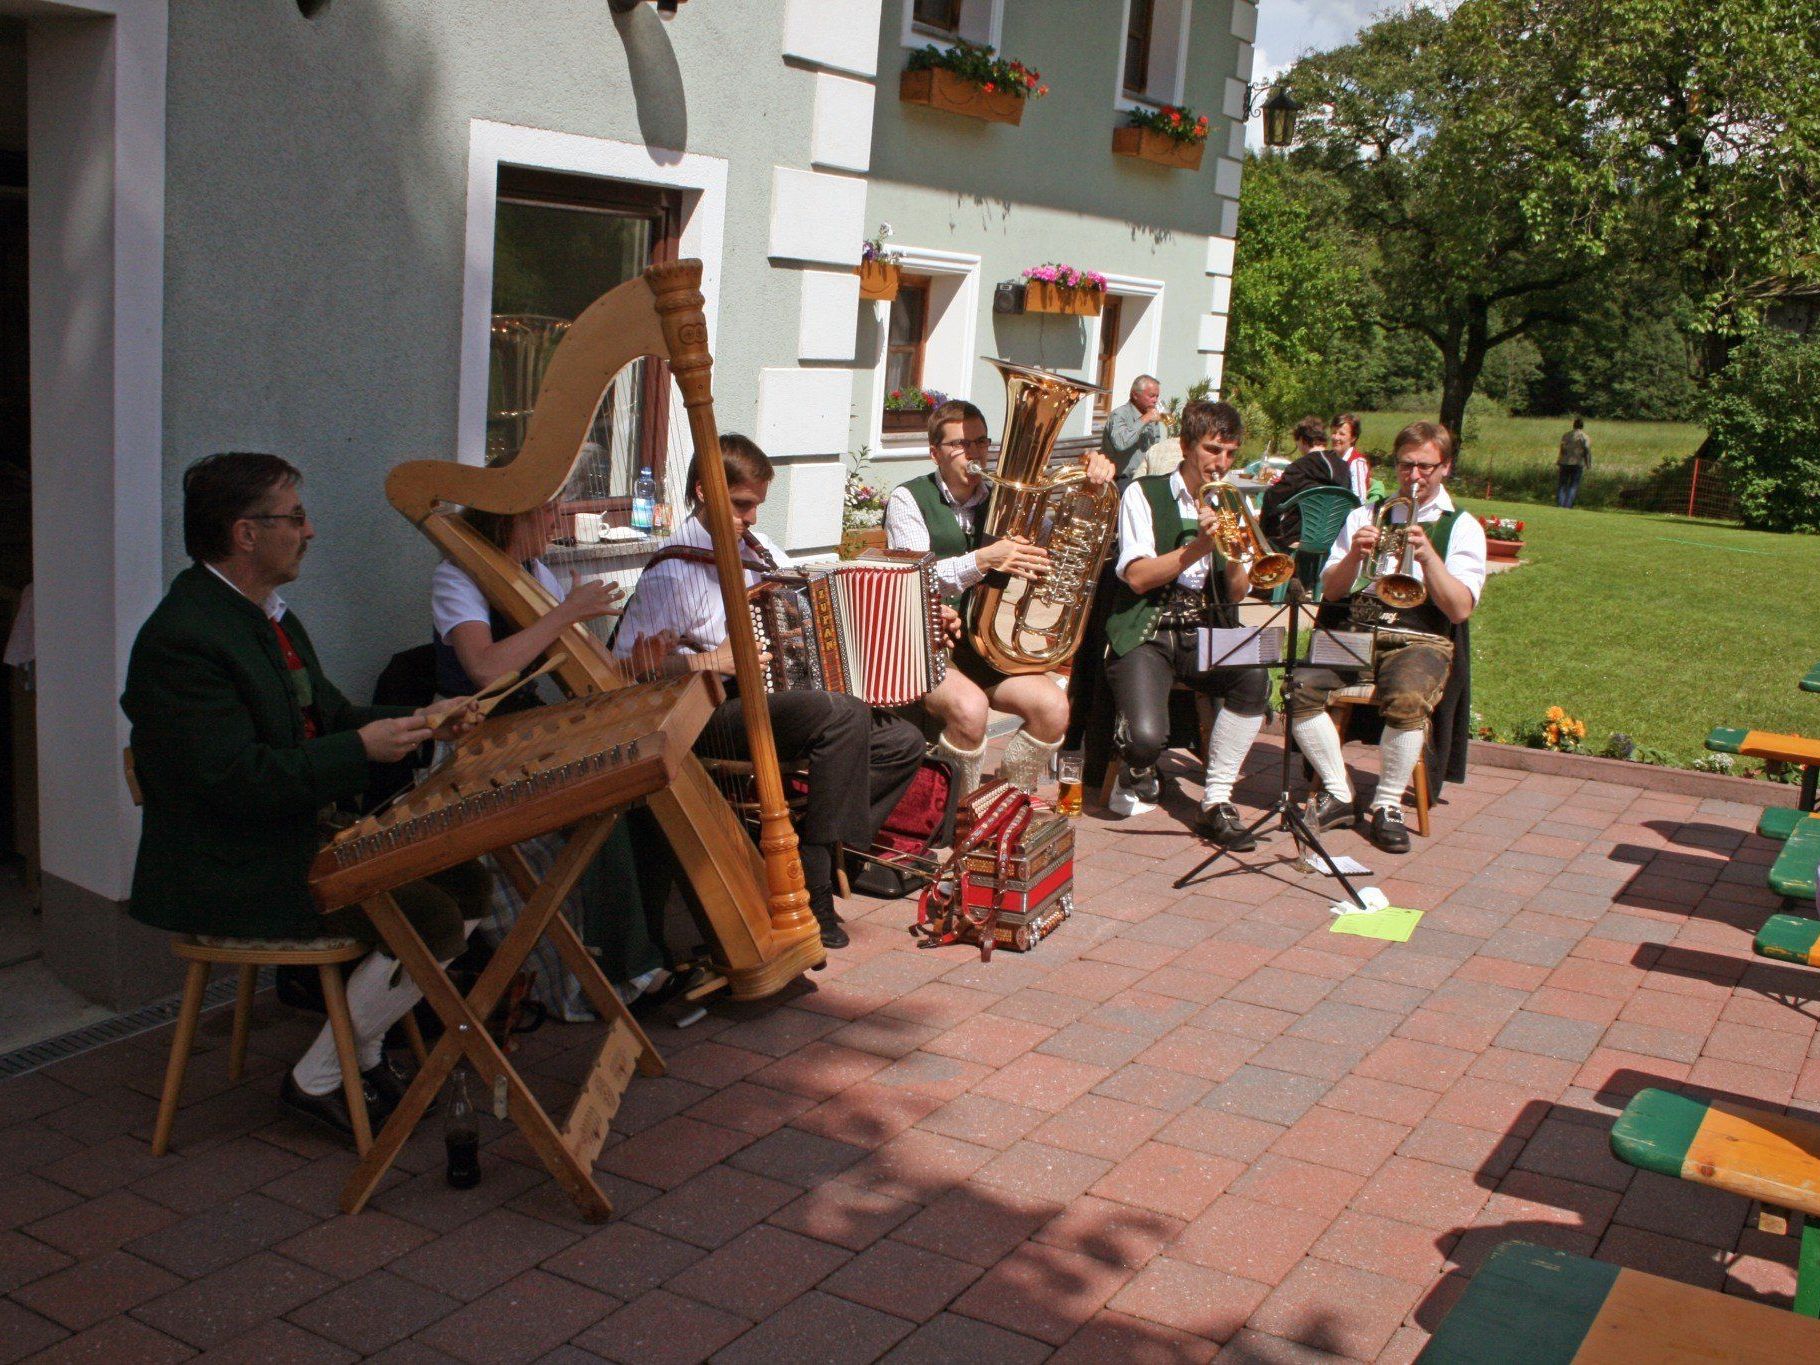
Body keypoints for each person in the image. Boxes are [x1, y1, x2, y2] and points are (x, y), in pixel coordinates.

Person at [122, 453, 490, 1142]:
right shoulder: (184, 639)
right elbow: (237, 780)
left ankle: (362, 1055)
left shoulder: (265, 615)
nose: (310, 531)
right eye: (295, 517)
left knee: (468, 882)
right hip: (230, 862)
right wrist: (360, 750)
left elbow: (328, 712)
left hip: (283, 835)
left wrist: (422, 717)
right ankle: (322, 1076)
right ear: (246, 534)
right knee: (430, 916)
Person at [614, 435, 925, 950]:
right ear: (703, 492)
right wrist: (708, 660)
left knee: (903, 741)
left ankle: (801, 852)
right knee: (841, 716)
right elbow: (628, 668)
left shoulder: (758, 552)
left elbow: (812, 598)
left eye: (758, 503)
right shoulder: (671, 572)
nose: (753, 517)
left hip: (775, 706)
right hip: (710, 712)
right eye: (742, 504)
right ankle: (815, 888)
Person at [430, 504, 677, 1018]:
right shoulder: (457, 577)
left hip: (528, 728)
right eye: (544, 517)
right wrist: (565, 611)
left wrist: (642, 662)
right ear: (508, 520)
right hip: (471, 741)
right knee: (599, 802)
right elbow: (484, 668)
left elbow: (599, 665)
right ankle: (625, 970)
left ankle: (640, 953)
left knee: (641, 787)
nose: (555, 527)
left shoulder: (534, 573)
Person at [884, 399, 1113, 795]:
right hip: (924, 643)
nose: (972, 454)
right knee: (970, 711)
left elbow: (1058, 543)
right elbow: (912, 582)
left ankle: (1003, 803)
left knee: (1053, 708)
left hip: (984, 643)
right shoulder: (908, 500)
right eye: (959, 445)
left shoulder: (1004, 499)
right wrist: (982, 560)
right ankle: (955, 808)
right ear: (934, 452)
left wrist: (1089, 489)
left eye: (980, 443)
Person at [1286, 421, 1487, 853]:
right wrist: (1355, 556)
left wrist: (1429, 555)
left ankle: (1387, 803)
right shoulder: (1363, 515)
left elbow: (1459, 608)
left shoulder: (1463, 526)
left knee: (1408, 698)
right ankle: (1339, 792)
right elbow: (1334, 591)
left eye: (1425, 468)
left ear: (1446, 467)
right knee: (1298, 686)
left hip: (1421, 637)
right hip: (1358, 628)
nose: (1414, 477)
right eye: (1405, 466)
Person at [1102, 400, 1272, 847]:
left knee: (1257, 674)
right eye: (1213, 450)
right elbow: (1137, 578)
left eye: (1231, 453)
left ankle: (1217, 799)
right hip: (1147, 628)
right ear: (1186, 445)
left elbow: (1235, 593)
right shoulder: (1144, 493)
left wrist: (1235, 553)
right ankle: (1136, 764)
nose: (1222, 463)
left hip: (1205, 628)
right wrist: (1199, 547)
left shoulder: (1234, 502)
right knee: (1145, 739)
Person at [1260, 415, 1349, 551]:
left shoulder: (1300, 467)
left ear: (1302, 440)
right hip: (1335, 536)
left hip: (1299, 537)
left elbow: (1272, 498)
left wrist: (1266, 534)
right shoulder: (1343, 467)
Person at [1100, 374, 1166, 488]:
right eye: (1151, 396)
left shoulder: (1150, 415)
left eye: (1157, 396)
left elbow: (1154, 445)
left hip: (1144, 477)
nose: (1155, 400)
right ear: (1135, 395)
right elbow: (1121, 443)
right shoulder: (1119, 415)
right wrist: (1145, 419)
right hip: (1120, 479)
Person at [1330, 413, 1373, 503]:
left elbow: (1359, 500)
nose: (1336, 437)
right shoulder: (1329, 458)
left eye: (1342, 434)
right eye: (1334, 432)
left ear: (1353, 438)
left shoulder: (1357, 463)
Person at [1557, 417, 1591, 508]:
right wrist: (1588, 463)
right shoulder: (1585, 437)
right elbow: (1586, 450)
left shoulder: (1566, 435)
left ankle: (1561, 504)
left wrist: (1559, 459)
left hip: (1564, 462)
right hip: (1577, 463)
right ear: (1582, 426)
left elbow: (1562, 449)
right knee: (1573, 486)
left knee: (1562, 485)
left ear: (1574, 425)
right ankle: (1567, 505)